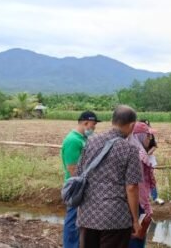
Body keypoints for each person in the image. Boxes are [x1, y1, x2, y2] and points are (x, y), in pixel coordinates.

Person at [77, 105, 143, 248]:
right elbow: (131, 187)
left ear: (113, 121)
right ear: (132, 125)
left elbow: (79, 172)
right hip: (115, 217)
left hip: (88, 214)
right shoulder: (130, 150)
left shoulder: (90, 142)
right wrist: (136, 220)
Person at [61, 110, 101, 248]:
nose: (94, 128)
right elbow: (72, 168)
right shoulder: (73, 140)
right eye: (93, 124)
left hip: (82, 184)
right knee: (72, 220)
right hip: (76, 187)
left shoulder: (83, 139)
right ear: (85, 123)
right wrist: (81, 188)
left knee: (80, 219)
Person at [128, 122, 157, 248]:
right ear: (139, 136)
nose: (149, 139)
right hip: (136, 203)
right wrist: (145, 209)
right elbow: (136, 186)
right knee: (137, 237)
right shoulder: (138, 155)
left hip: (131, 202)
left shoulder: (131, 149)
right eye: (148, 136)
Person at [140, 119, 164, 205]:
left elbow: (154, 145)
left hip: (149, 159)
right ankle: (143, 198)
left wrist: (147, 153)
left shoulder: (150, 134)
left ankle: (154, 197)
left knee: (150, 178)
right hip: (139, 159)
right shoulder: (134, 136)